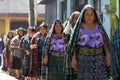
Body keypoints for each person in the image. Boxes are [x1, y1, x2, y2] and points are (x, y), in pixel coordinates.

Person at [66, 5, 111, 80]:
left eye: (91, 14)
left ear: (95, 16)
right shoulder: (79, 28)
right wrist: (73, 59)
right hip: (83, 60)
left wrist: (108, 55)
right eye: (87, 14)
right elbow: (73, 44)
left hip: (99, 59)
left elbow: (105, 42)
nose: (89, 17)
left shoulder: (99, 27)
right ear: (83, 16)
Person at [63, 11, 80, 80]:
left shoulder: (83, 27)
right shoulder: (68, 28)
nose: (77, 19)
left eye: (79, 17)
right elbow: (65, 41)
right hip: (70, 54)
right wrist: (73, 45)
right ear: (72, 19)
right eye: (75, 18)